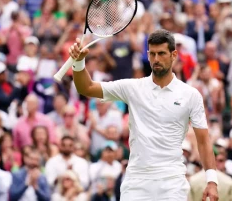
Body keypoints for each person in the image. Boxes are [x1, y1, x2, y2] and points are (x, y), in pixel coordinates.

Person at [69, 29, 219, 200]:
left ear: (174, 55)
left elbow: (203, 141)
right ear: (147, 55)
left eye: (162, 53)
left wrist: (212, 181)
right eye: (152, 54)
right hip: (136, 182)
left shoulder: (190, 95)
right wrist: (79, 62)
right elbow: (86, 87)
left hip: (172, 183)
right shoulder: (133, 87)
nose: (156, 59)